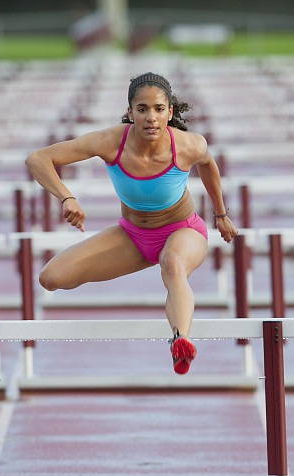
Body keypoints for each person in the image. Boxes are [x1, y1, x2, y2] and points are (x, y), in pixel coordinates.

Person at [26, 72, 237, 374]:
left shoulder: (189, 145)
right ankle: (178, 331)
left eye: (159, 109)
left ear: (170, 112)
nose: (151, 118)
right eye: (142, 109)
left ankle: (181, 342)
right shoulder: (111, 142)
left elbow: (208, 166)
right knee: (50, 278)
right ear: (130, 112)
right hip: (133, 236)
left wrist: (220, 215)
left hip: (182, 231)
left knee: (173, 264)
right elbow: (37, 159)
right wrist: (66, 197)